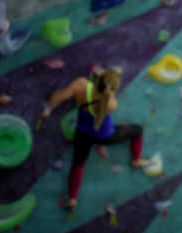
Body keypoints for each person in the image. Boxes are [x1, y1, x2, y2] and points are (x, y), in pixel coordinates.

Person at [40, 67, 149, 210]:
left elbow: (58, 97)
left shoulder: (80, 85)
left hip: (83, 133)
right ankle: (136, 160)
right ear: (112, 90)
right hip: (105, 136)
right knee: (138, 130)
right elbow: (103, 98)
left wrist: (48, 109)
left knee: (77, 165)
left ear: (98, 80)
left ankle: (72, 199)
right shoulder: (111, 103)